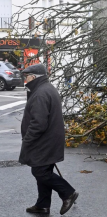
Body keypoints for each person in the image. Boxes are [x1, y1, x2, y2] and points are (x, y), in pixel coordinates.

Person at [19, 64, 78, 215]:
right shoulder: (45, 88)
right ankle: (42, 205)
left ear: (34, 77)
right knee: (43, 170)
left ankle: (68, 193)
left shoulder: (40, 93)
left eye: (27, 76)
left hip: (44, 140)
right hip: (49, 139)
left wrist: (27, 139)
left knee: (40, 172)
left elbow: (38, 123)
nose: (25, 79)